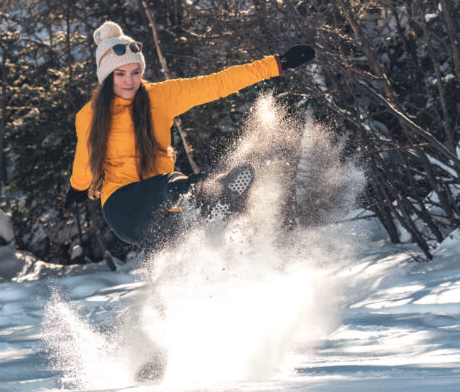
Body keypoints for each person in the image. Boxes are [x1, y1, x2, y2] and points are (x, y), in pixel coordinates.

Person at [65, 20, 314, 251]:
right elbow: (84, 159)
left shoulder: (161, 96)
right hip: (124, 209)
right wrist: (77, 187)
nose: (129, 81)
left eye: (135, 72)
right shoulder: (90, 114)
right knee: (169, 183)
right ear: (106, 77)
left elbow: (216, 83)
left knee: (195, 243)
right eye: (120, 74)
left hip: (163, 212)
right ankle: (212, 190)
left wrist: (276, 64)